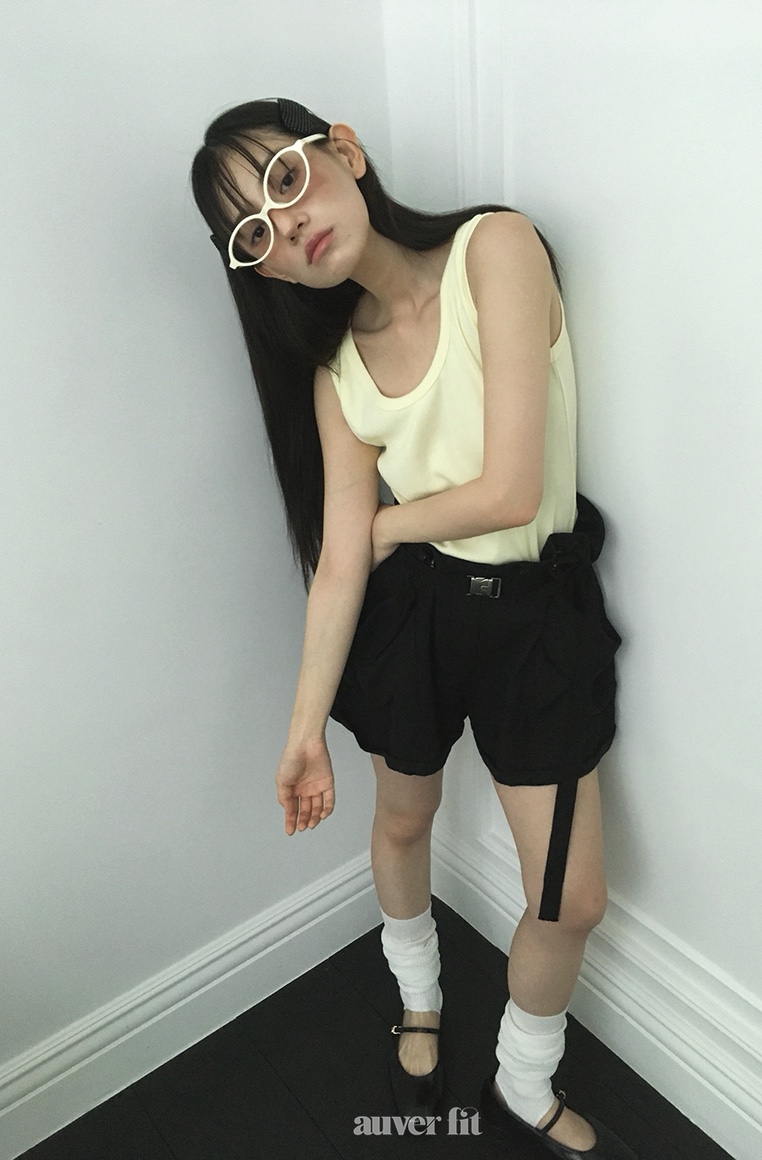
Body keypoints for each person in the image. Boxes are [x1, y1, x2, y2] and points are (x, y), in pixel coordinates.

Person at [190, 96, 635, 1160]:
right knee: (401, 821)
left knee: (571, 897)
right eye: (254, 233)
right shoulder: (335, 376)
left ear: (343, 150)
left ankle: (522, 1079)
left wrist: (386, 522)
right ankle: (420, 994)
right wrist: (302, 730)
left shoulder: (497, 250)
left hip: (534, 614)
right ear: (263, 271)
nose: (287, 225)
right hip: (418, 613)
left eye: (285, 179)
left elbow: (512, 489)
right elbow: (341, 563)